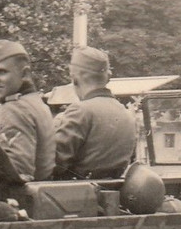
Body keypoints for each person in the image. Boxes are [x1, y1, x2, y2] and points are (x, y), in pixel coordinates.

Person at [52, 47, 136, 179]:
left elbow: (55, 162)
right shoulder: (127, 115)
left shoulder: (80, 110)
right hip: (115, 192)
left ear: (75, 78)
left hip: (76, 194)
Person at [0, 39, 55, 182]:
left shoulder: (14, 109)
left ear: (24, 74)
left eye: (1, 72)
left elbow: (18, 172)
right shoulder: (34, 102)